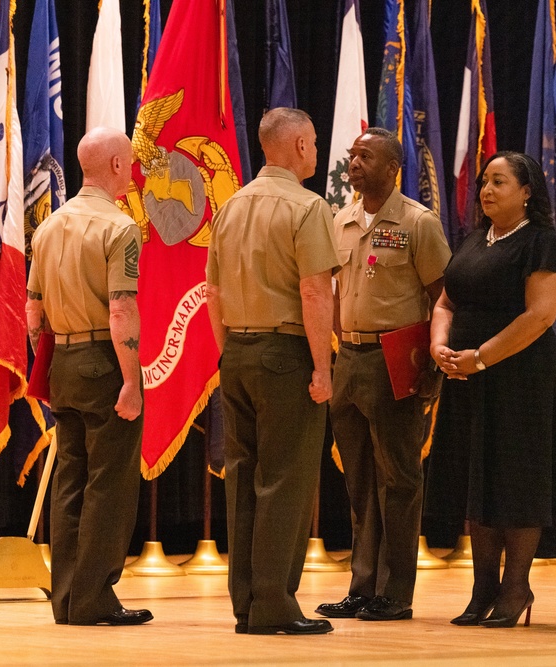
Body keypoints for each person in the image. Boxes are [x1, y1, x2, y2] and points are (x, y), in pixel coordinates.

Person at [424, 151, 556, 628]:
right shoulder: (475, 241)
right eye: (483, 182)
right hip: (467, 377)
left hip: (523, 380)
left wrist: (479, 358)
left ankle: (516, 587)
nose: (486, 190)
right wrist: (440, 346)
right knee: (480, 480)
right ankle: (482, 591)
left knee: (517, 481)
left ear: (527, 191)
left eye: (499, 182)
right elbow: (446, 302)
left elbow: (538, 317)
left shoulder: (543, 246)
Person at [206, 107, 340, 636]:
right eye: (311, 142)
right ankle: (276, 607)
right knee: (284, 481)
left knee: (242, 480)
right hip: (286, 354)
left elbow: (212, 291)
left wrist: (229, 351)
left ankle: (247, 606)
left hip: (236, 351)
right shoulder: (308, 208)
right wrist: (323, 368)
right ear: (300, 146)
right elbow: (313, 291)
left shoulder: (230, 206)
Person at [316, 128, 451, 623]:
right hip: (349, 359)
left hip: (395, 360)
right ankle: (362, 586)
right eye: (352, 156)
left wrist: (433, 366)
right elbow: (332, 290)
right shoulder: (340, 219)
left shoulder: (418, 223)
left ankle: (396, 593)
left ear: (393, 168)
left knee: (398, 479)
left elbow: (444, 297)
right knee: (358, 482)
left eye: (365, 156)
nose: (354, 163)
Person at [26, 127, 151, 627]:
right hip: (105, 361)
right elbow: (121, 310)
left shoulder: (49, 226)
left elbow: (33, 313)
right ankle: (95, 596)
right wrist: (130, 380)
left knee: (69, 481)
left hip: (64, 364)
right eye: (131, 162)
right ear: (117, 166)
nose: (134, 171)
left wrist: (50, 362)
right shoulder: (119, 227)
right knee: (110, 484)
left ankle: (67, 599)